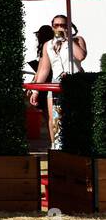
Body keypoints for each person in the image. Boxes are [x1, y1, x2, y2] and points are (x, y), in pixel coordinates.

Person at [32, 14, 87, 150]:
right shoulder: (48, 45)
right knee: (54, 118)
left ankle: (76, 147)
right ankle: (56, 147)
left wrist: (68, 38)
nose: (59, 28)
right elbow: (44, 69)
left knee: (75, 115)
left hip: (75, 81)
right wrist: (36, 90)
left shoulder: (77, 40)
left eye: (63, 25)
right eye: (56, 25)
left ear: (69, 26)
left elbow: (81, 56)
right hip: (56, 83)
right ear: (52, 27)